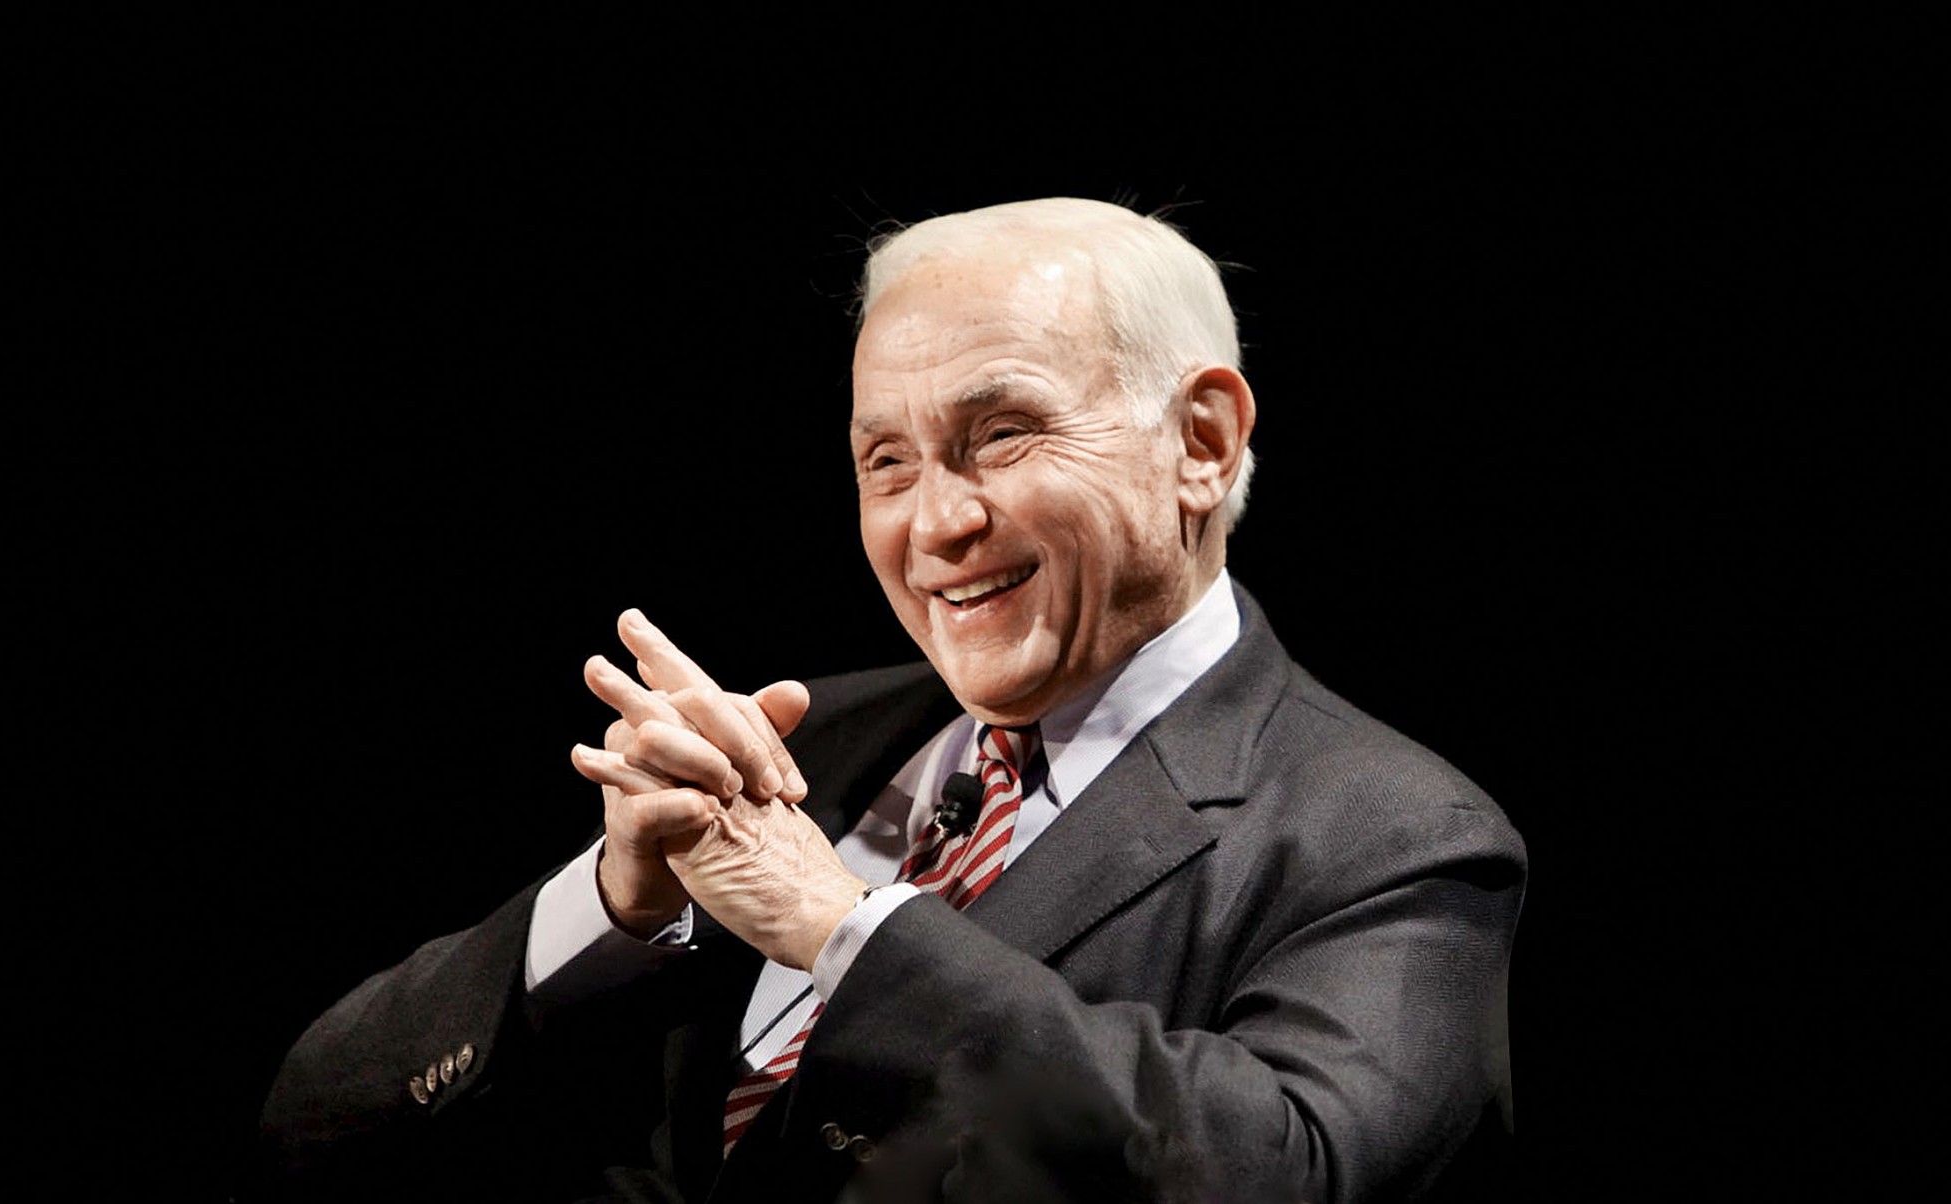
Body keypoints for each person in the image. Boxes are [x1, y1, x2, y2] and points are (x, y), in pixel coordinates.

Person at [250, 197, 1527, 1203]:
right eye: (886, 460)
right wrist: (615, 910)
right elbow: (312, 1128)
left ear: (1200, 441)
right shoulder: (801, 747)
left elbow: (1289, 1172)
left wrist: (840, 925)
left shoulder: (1396, 837)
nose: (935, 525)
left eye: (1001, 434)